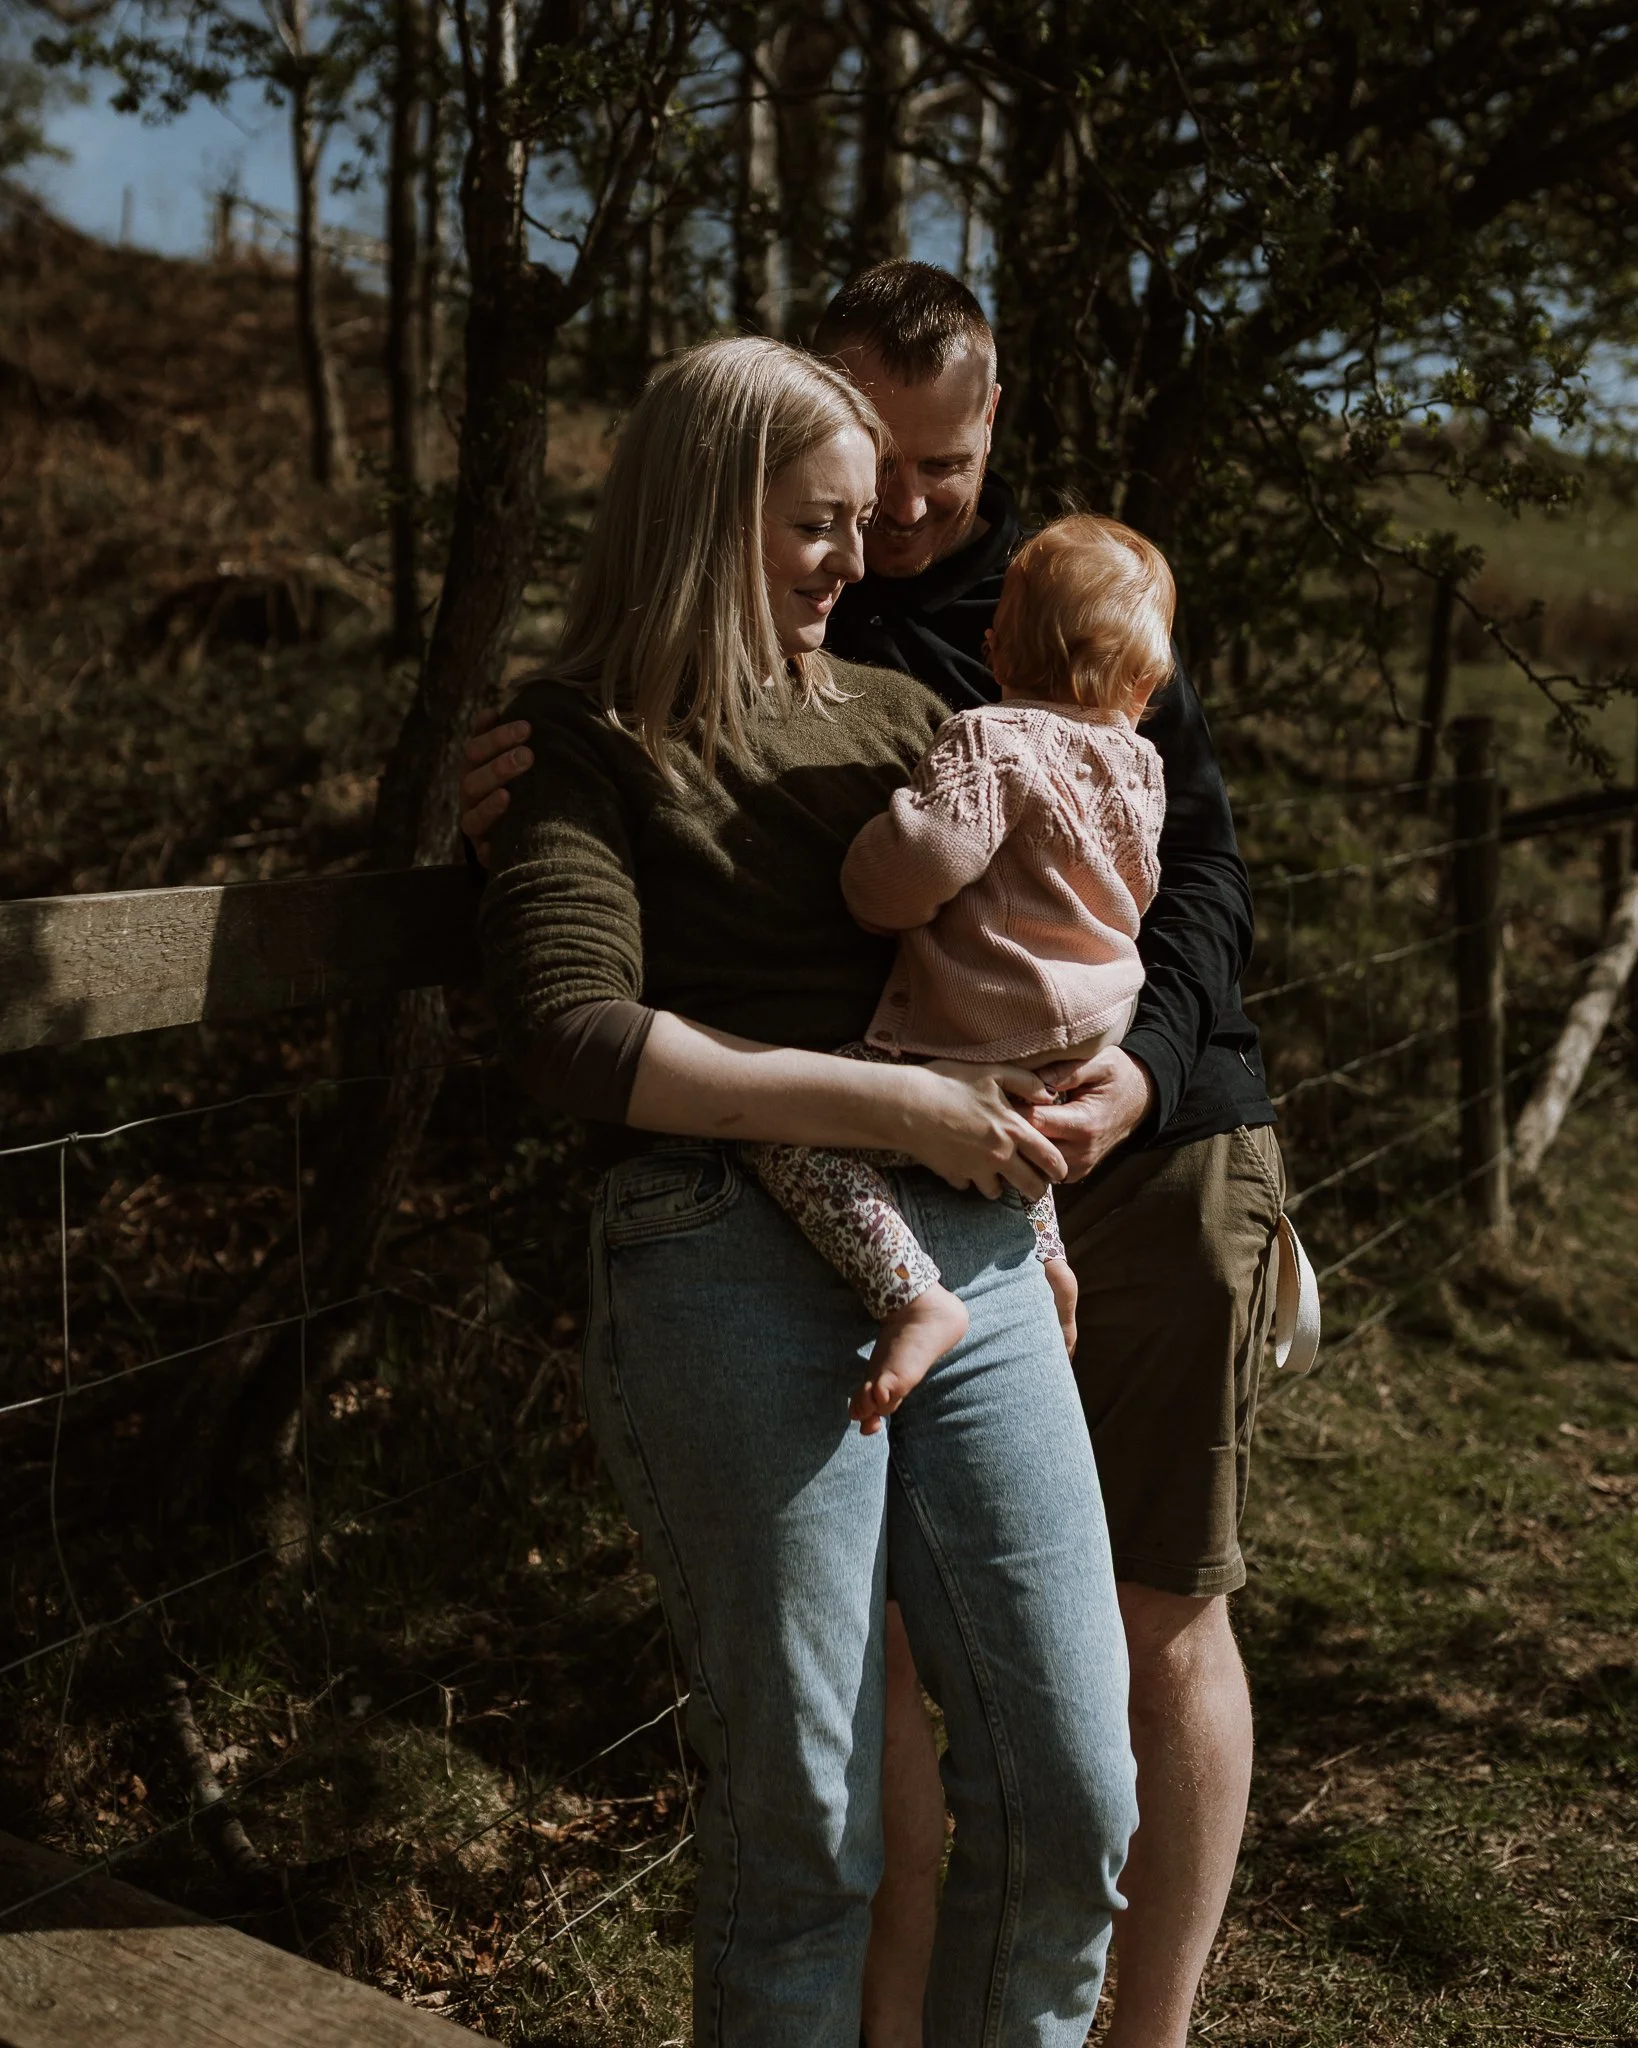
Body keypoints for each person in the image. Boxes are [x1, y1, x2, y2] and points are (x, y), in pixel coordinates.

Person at [463, 262, 1284, 2048]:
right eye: (817, 524)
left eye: (869, 518)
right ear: (702, 516)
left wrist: (1077, 1116)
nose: (862, 557)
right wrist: (888, 1109)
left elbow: (1089, 900)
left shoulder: (917, 721)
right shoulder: (581, 738)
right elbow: (574, 1034)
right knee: (809, 1831)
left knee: (1074, 1795)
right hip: (718, 1246)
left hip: (974, 1248)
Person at [747, 514, 1174, 1434]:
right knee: (1024, 1112)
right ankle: (1049, 1254)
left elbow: (913, 869)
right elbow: (1138, 887)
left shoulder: (990, 740)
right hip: (1096, 1026)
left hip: (983, 1026)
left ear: (995, 644)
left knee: (792, 1132)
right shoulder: (1142, 765)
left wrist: (867, 887)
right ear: (1145, 682)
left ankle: (910, 1294)